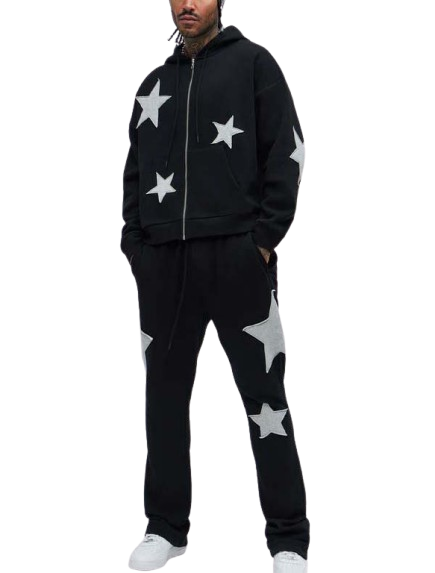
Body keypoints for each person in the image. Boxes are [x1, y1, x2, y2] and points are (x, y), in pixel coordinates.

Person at [121, 1, 310, 571]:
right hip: (165, 267)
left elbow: (288, 150)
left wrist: (263, 241)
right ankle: (166, 527)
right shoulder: (153, 85)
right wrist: (138, 248)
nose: (187, 4)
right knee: (164, 401)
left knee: (265, 401)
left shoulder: (254, 64)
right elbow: (133, 173)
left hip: (237, 259)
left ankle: (288, 538)